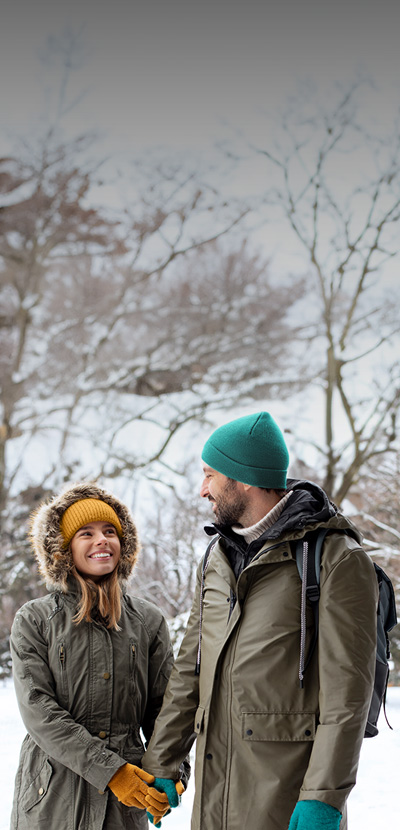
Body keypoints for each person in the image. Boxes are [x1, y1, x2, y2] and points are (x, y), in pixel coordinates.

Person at [141, 411, 378, 830]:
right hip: (216, 794)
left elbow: (348, 694)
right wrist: (163, 758)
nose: (202, 490)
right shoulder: (216, 557)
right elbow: (190, 669)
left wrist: (324, 796)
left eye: (209, 475)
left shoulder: (335, 558)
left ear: (244, 478)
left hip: (286, 796)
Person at [10, 481, 187, 830]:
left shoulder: (148, 622)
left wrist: (171, 770)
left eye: (110, 531)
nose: (102, 540)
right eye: (85, 533)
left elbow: (164, 709)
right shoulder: (34, 620)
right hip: (53, 796)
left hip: (122, 807)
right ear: (63, 549)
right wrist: (112, 772)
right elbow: (38, 710)